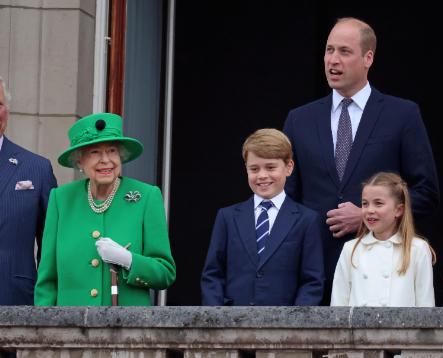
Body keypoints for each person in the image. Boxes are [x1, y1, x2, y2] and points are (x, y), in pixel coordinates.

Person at [283, 17, 439, 304]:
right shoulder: (299, 119)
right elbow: (288, 199)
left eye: (344, 51)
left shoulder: (402, 115)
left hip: (381, 275)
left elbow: (426, 192)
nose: (333, 60)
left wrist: (368, 218)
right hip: (312, 275)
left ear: (368, 57)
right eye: (329, 50)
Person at [34, 113, 176, 306]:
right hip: (70, 328)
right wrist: (45, 331)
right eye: (94, 152)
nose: (105, 160)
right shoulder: (61, 199)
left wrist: (129, 260)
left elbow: (165, 273)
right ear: (79, 161)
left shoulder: (146, 197)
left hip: (127, 329)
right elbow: (47, 281)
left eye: (112, 151)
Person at [201, 129, 324, 306]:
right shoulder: (227, 217)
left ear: (289, 167)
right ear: (246, 169)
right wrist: (217, 318)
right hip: (231, 324)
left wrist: (295, 324)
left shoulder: (306, 220)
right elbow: (212, 274)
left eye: (271, 167)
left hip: (284, 326)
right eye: (254, 168)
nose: (262, 175)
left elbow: (312, 282)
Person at [331, 172, 435, 307]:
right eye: (365, 204)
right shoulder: (350, 249)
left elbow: (426, 307)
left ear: (398, 210)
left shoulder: (417, 249)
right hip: (360, 329)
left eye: (378, 203)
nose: (370, 210)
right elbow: (338, 305)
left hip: (402, 329)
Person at [0, 76, 57, 305]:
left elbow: (51, 246)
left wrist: (47, 305)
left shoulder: (37, 169)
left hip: (15, 301)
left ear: (7, 111)